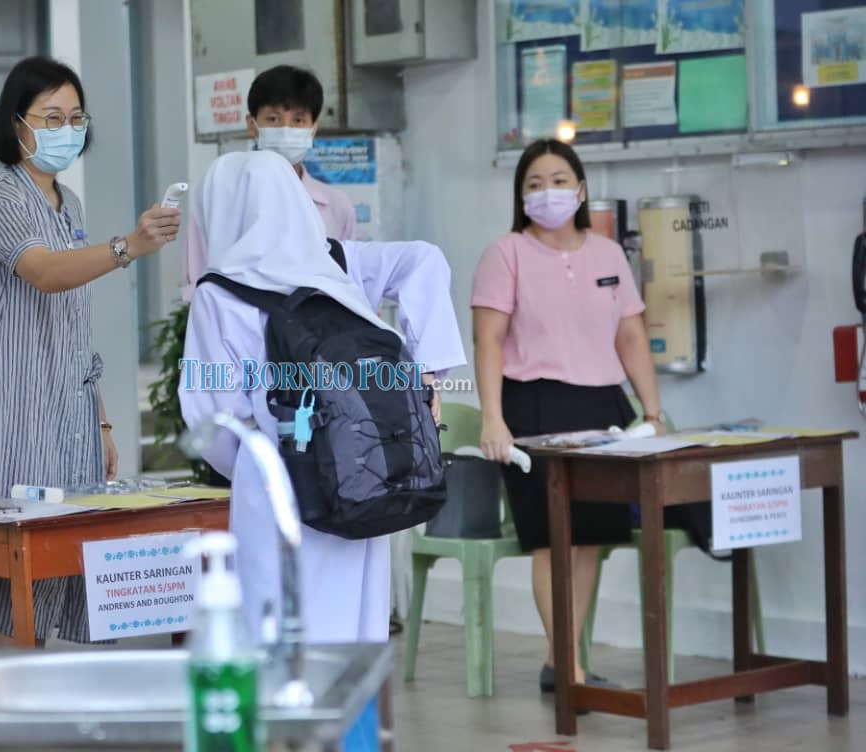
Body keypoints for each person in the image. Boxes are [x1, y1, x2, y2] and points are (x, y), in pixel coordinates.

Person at [179, 150, 465, 644]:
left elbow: (213, 418)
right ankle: (354, 721)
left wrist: (259, 463)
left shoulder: (218, 293)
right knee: (357, 631)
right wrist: (427, 373)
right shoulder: (335, 264)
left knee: (278, 629)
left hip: (276, 485)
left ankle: (290, 721)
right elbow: (424, 259)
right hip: (362, 474)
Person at [0, 56, 181, 646]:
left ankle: (56, 701)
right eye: (50, 116)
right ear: (16, 123)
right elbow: (48, 273)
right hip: (14, 412)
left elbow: (76, 322)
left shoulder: (70, 204)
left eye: (75, 117)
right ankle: (11, 707)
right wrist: (129, 245)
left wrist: (101, 419)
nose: (65, 128)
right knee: (13, 572)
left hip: (71, 411)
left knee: (66, 561)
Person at [471, 138, 664, 691]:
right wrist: (492, 418)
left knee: (590, 539)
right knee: (552, 539)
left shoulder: (607, 254)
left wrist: (652, 409)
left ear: (580, 190)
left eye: (558, 181)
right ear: (520, 196)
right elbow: (488, 340)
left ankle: (564, 662)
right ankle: (570, 668)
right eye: (534, 184)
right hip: (532, 406)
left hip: (604, 406)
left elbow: (631, 333)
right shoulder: (504, 253)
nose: (547, 192)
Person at [181, 65, 357, 301]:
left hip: (316, 330)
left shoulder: (336, 205)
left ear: (313, 128)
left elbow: (350, 276)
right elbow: (199, 275)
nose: (286, 130)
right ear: (252, 124)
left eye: (298, 120)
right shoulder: (221, 192)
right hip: (236, 325)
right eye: (273, 119)